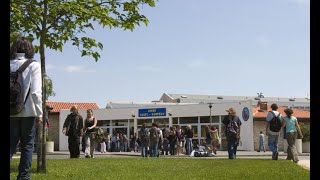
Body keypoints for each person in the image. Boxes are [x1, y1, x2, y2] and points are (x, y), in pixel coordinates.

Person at [10, 36, 43, 180]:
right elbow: (36, 92)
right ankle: (23, 177)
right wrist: (40, 114)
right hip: (28, 111)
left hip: (11, 112)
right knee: (27, 145)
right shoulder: (33, 65)